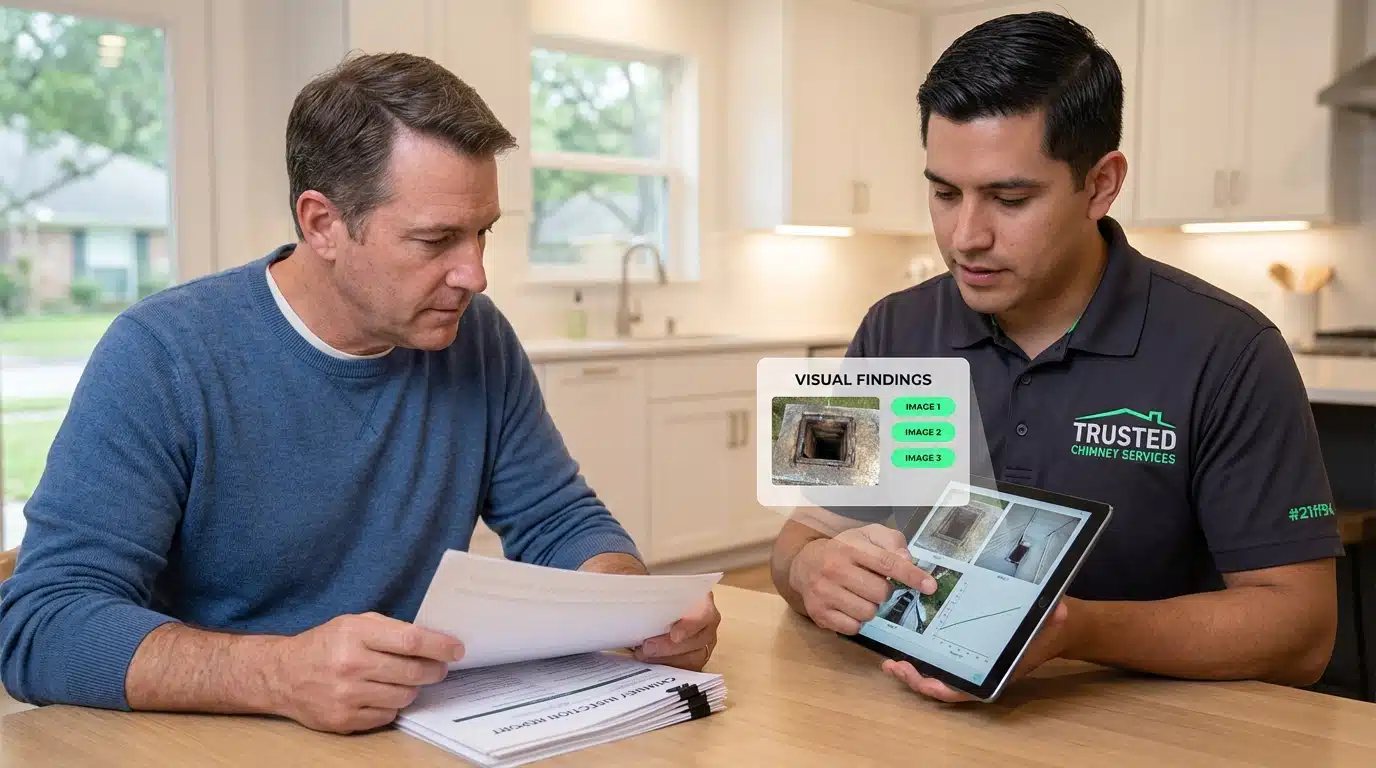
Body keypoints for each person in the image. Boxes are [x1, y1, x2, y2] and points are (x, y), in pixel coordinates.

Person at [0, 52, 719, 733]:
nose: (475, 274)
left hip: (416, 729)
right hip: (218, 739)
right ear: (323, 224)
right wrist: (278, 674)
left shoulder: (478, 336)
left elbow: (557, 519)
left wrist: (631, 604)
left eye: (483, 233)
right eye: (436, 240)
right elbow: (43, 623)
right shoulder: (162, 356)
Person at [770, 11, 1341, 702]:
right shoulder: (892, 327)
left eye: (1009, 198)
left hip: (1151, 731)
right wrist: (811, 571)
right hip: (913, 717)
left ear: (1100, 184)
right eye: (944, 193)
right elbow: (800, 537)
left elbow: (1302, 631)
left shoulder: (1231, 351)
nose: (966, 236)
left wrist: (1072, 629)